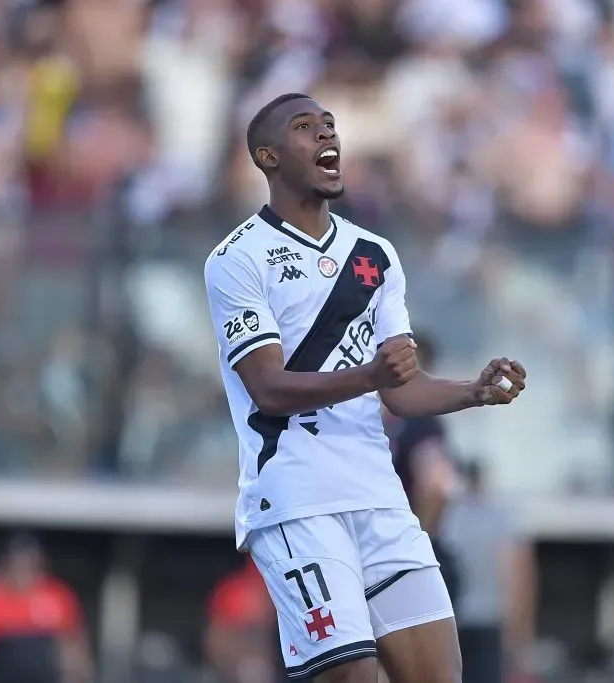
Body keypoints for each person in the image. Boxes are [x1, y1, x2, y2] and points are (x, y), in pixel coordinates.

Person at [204, 92, 527, 683]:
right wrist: (369, 377)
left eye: (329, 125)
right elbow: (268, 388)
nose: (327, 135)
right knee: (353, 676)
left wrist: (472, 392)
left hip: (380, 499)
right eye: (305, 127)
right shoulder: (237, 258)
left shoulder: (374, 255)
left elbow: (401, 392)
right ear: (267, 157)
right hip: (298, 501)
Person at [440, 461, 536, 683]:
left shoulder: (450, 516)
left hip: (454, 619)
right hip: (490, 618)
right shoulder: (502, 517)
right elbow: (518, 577)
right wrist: (520, 633)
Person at [385, 333, 460, 601]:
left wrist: (415, 546)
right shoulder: (403, 421)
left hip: (393, 553)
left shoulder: (420, 423)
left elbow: (435, 487)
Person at [0, 534, 90, 683]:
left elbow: (72, 646)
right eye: (17, 563)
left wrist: (76, 675)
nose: (23, 570)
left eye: (29, 563)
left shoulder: (58, 595)